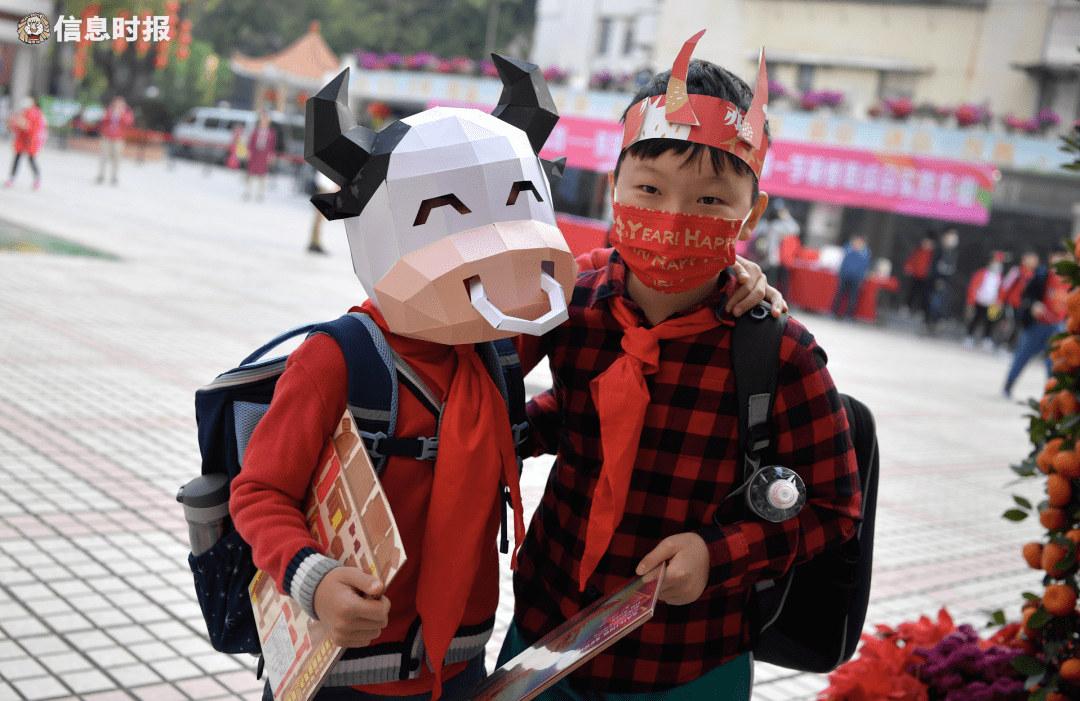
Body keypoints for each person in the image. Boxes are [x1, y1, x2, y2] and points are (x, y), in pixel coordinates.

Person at [229, 61, 782, 701]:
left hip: (465, 664)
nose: (490, 247)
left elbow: (538, 385)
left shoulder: (496, 344)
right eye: (445, 215)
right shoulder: (341, 359)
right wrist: (313, 579)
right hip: (342, 665)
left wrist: (734, 274)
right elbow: (260, 491)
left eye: (512, 210)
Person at [501, 32, 860, 701]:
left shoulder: (782, 351)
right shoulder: (566, 298)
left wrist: (719, 553)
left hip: (689, 658)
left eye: (709, 201)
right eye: (649, 187)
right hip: (544, 626)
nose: (672, 220)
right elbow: (564, 410)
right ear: (613, 187)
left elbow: (836, 506)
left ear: (749, 214)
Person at [1003, 250, 1070, 398]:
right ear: (1051, 257)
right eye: (1057, 256)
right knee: (1022, 357)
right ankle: (1008, 385)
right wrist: (1034, 305)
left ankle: (1051, 396)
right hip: (1037, 326)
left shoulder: (1071, 281)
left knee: (1053, 365)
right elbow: (1026, 296)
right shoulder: (1041, 275)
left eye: (1064, 257)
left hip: (1057, 328)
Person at [998, 250, 1040, 350]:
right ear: (1024, 259)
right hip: (1011, 303)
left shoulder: (1035, 275)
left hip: (1023, 306)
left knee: (1018, 326)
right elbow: (1005, 286)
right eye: (1031, 259)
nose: (1034, 262)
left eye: (1035, 260)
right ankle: (1003, 345)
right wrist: (1000, 300)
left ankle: (1009, 346)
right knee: (1010, 323)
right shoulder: (1016, 271)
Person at [963, 252, 1004, 349]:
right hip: (979, 301)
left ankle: (986, 339)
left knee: (990, 322)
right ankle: (969, 337)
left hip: (992, 304)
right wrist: (971, 301)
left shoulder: (1000, 276)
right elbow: (973, 287)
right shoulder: (981, 272)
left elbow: (1001, 290)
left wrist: (999, 302)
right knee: (975, 319)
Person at [5, 95, 46, 190]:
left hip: (31, 141)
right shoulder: (22, 112)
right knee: (16, 159)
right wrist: (13, 124)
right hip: (21, 141)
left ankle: (37, 179)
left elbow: (37, 129)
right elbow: (14, 126)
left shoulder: (37, 113)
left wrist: (26, 126)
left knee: (31, 161)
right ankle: (12, 178)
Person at [925, 229, 960, 334]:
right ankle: (927, 323)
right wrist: (936, 279)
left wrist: (945, 281)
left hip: (945, 283)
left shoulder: (954, 253)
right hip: (934, 281)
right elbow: (933, 266)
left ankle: (936, 323)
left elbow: (952, 269)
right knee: (931, 303)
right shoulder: (939, 251)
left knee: (941, 304)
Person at [831, 236, 872, 320]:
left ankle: (849, 316)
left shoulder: (866, 253)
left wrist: (862, 279)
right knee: (839, 295)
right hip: (845, 275)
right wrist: (840, 274)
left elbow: (865, 267)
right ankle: (833, 313)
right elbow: (842, 263)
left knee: (853, 297)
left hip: (856, 278)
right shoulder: (848, 249)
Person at [96, 95, 134, 185]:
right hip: (107, 137)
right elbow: (103, 120)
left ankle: (114, 177)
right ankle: (101, 175)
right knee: (103, 157)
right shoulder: (109, 110)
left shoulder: (127, 112)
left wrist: (121, 113)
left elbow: (129, 123)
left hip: (118, 138)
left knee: (117, 159)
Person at [243, 113, 277, 201]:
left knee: (262, 176)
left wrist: (271, 155)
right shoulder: (255, 131)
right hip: (255, 154)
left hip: (264, 156)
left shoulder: (271, 133)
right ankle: (247, 191)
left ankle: (259, 193)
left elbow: (272, 146)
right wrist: (248, 152)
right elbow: (250, 143)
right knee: (250, 174)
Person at [902, 233, 935, 318]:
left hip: (925, 277)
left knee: (923, 295)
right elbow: (911, 259)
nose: (926, 244)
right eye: (925, 242)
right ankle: (907, 307)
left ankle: (920, 310)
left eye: (928, 243)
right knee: (911, 292)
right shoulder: (918, 250)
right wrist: (907, 266)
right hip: (915, 275)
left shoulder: (932, 253)